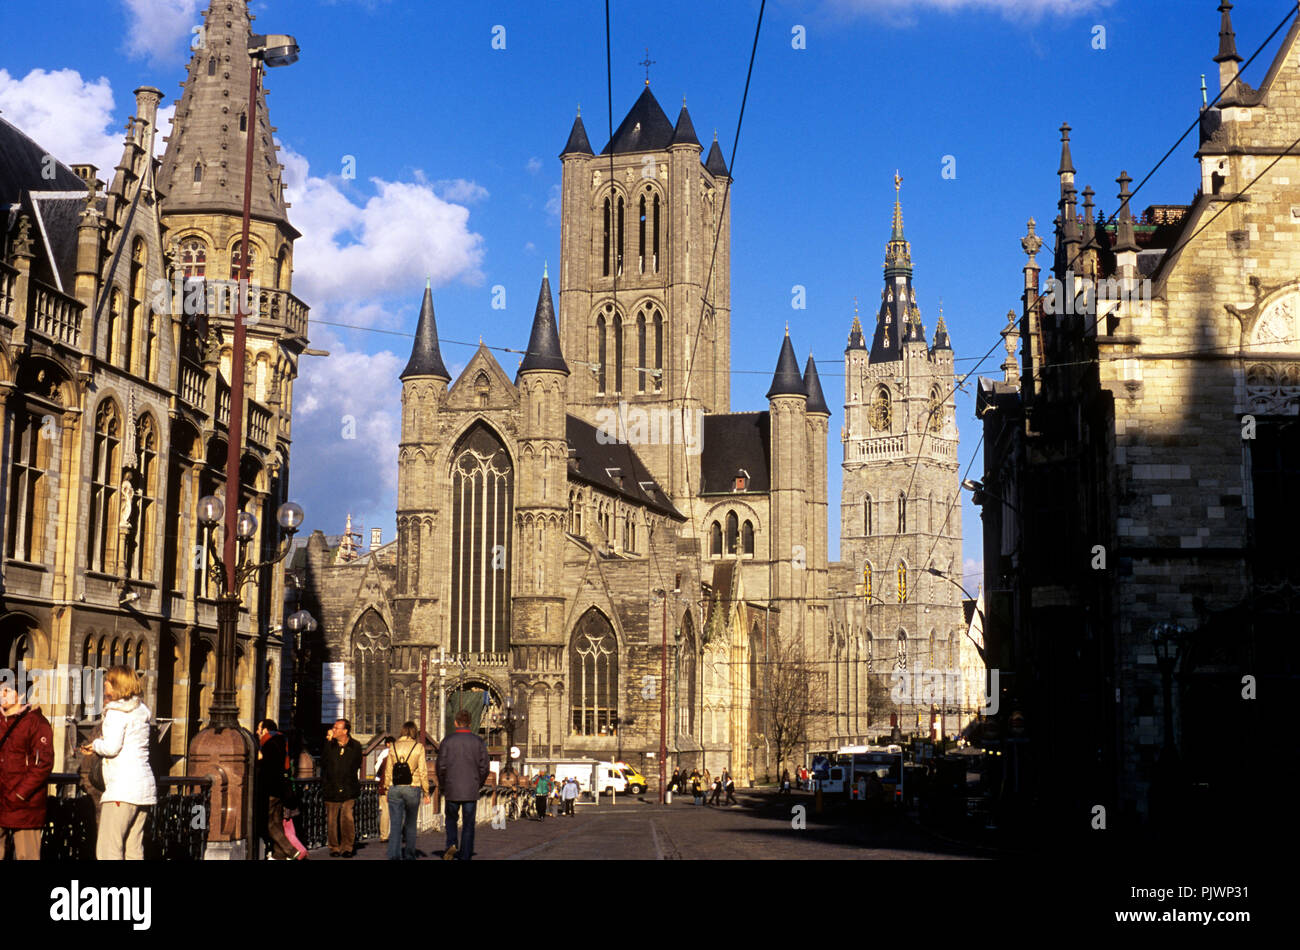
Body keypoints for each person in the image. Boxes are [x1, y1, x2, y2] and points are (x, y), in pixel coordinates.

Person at [81, 666, 156, 860]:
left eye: (108, 680)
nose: (104, 683)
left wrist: (96, 745)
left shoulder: (116, 712)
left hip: (122, 790)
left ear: (116, 685)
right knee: (134, 849)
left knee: (109, 850)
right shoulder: (140, 711)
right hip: (144, 789)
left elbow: (112, 747)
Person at [0, 681, 53, 860]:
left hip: (25, 805)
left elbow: (42, 764)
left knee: (27, 855)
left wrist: (20, 795)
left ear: (21, 695)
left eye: (7, 690)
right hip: (1, 800)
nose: (2, 694)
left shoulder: (36, 723)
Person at [437, 709, 489, 861]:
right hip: (470, 789)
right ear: (470, 724)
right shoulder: (478, 742)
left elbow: (441, 766)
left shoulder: (447, 741)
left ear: (455, 722)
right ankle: (465, 855)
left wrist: (443, 785)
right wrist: (478, 783)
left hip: (452, 788)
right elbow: (485, 767)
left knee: (451, 819)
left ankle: (452, 843)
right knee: (468, 824)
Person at [255, 718, 299, 860]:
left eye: (259, 729)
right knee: (277, 822)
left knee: (268, 823)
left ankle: (292, 851)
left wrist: (259, 760)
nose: (257, 732)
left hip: (271, 789)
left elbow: (268, 767)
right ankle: (279, 854)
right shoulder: (281, 741)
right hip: (280, 789)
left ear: (266, 730)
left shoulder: (269, 744)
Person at [385, 722, 430, 861]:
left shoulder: (393, 746)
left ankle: (394, 856)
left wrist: (387, 787)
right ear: (414, 732)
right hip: (413, 787)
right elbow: (423, 771)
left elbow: (388, 770)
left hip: (395, 787)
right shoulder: (418, 747)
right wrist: (426, 792)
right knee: (411, 824)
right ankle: (410, 855)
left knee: (395, 825)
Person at [320, 718, 362, 857]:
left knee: (347, 817)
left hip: (349, 787)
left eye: (337, 728)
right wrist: (328, 741)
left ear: (345, 731)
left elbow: (355, 764)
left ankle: (347, 847)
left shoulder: (355, 746)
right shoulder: (329, 745)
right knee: (332, 819)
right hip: (331, 787)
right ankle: (334, 847)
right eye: (333, 727)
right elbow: (324, 762)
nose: (334, 730)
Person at [375, 736, 395, 843]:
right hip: (397, 785)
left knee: (385, 811)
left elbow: (377, 768)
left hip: (385, 785)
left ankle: (384, 835)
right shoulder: (398, 753)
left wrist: (378, 780)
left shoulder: (384, 754)